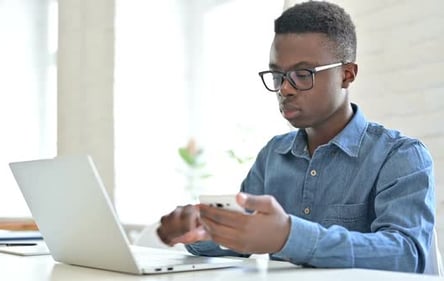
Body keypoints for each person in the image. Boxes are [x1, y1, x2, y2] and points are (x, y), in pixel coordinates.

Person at [156, 1, 435, 274]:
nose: (285, 89)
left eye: (302, 74)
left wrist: (289, 235)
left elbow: (407, 254)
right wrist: (204, 232)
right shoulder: (273, 155)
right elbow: (243, 238)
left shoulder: (400, 155)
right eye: (277, 75)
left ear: (346, 75)